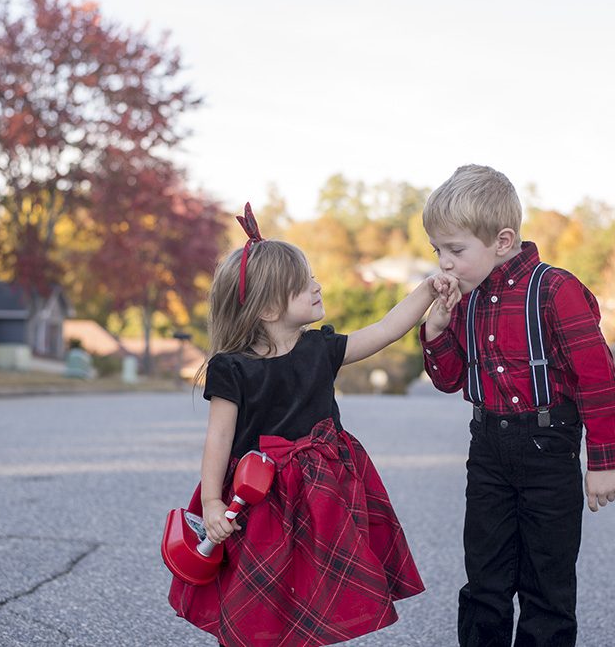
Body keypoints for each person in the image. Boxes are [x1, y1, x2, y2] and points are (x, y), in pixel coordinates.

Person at [168, 204, 456, 647]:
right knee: (262, 587)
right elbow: (219, 437)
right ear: (266, 308)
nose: (317, 285)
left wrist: (426, 291)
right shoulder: (232, 368)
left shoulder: (320, 349)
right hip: (259, 496)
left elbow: (385, 329)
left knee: (318, 584)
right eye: (303, 285)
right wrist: (210, 501)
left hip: (324, 493)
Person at [419, 164, 615, 647]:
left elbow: (597, 379)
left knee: (546, 587)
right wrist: (436, 329)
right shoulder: (465, 301)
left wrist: (603, 462)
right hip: (487, 450)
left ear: (503, 241)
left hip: (548, 451)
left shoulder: (554, 290)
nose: (444, 263)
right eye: (437, 251)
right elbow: (449, 379)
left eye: (456, 250)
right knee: (485, 582)